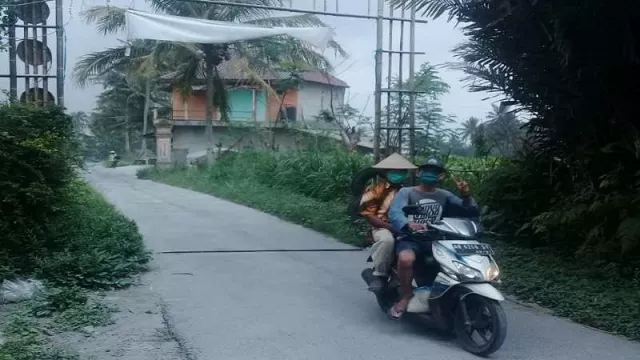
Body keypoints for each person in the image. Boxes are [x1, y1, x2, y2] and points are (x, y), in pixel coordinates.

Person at [386, 158, 480, 319]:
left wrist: (466, 194)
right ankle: (406, 296)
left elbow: (469, 211)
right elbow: (395, 213)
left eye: (435, 172)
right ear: (418, 173)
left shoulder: (445, 195)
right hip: (410, 237)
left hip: (437, 239)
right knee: (406, 259)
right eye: (427, 171)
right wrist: (408, 225)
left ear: (441, 176)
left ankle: (450, 294)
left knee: (457, 262)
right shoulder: (407, 192)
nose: (430, 174)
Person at [359, 153, 417, 292]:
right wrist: (390, 227)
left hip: (408, 226)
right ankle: (380, 275)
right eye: (395, 171)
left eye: (401, 171)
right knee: (387, 241)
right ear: (385, 172)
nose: (398, 174)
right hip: (382, 226)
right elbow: (369, 215)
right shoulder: (375, 190)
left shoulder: (410, 191)